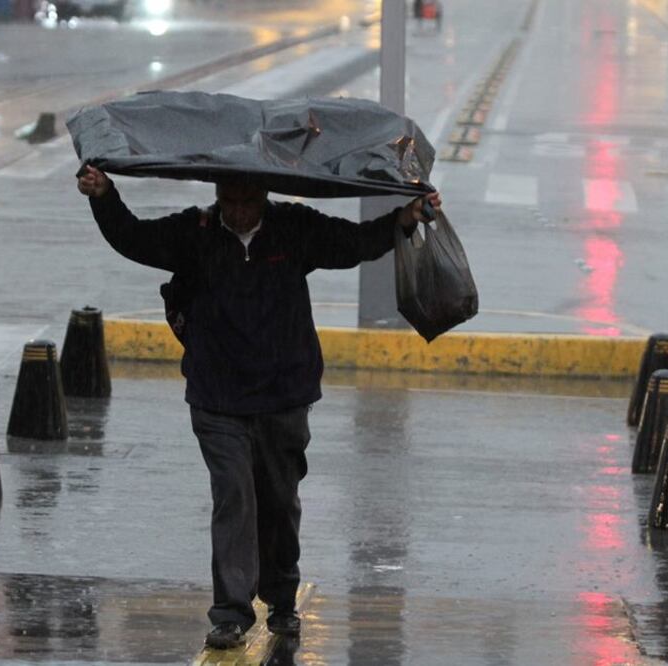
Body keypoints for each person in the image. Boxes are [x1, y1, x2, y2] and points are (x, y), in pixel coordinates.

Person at [77, 165, 440, 649]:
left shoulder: (295, 227)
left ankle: (282, 598)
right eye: (231, 200)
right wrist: (103, 194)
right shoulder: (196, 232)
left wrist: (405, 218)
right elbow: (133, 237)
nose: (239, 210)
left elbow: (355, 243)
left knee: (278, 500)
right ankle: (230, 612)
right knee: (234, 497)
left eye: (248, 201)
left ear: (264, 196)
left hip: (283, 394)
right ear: (219, 196)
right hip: (217, 396)